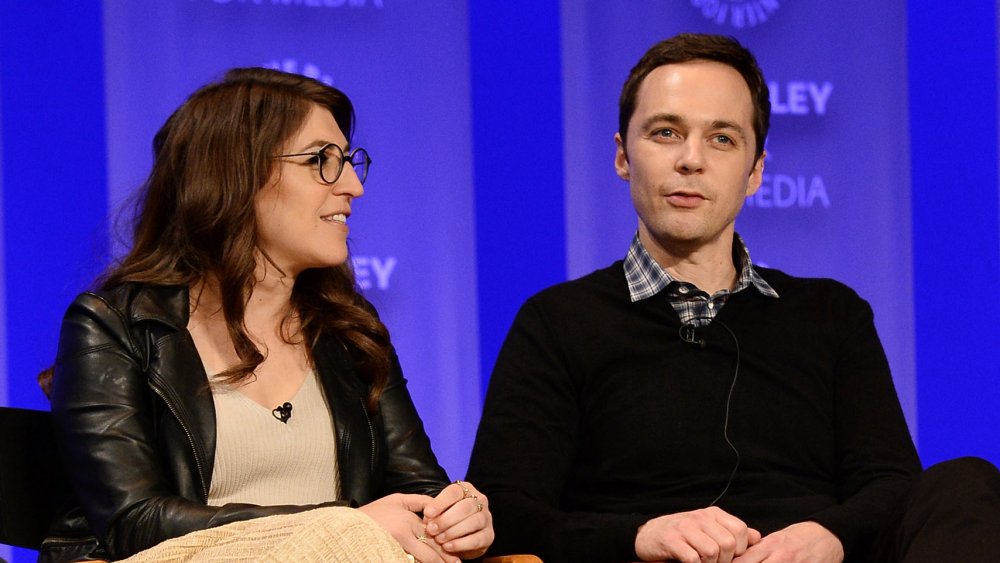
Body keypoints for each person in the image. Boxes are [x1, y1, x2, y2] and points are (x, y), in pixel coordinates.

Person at [467, 33, 1000, 563]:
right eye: (666, 132)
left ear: (756, 172)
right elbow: (504, 510)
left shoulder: (832, 314)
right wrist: (641, 537)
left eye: (722, 138)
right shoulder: (558, 322)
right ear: (623, 156)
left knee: (967, 482)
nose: (691, 160)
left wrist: (829, 535)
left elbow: (891, 485)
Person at [40, 67, 493, 563]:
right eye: (321, 160)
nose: (352, 188)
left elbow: (417, 492)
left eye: (347, 161)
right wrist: (342, 528)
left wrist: (456, 515)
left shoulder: (347, 330)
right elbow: (135, 522)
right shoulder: (115, 325)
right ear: (235, 173)